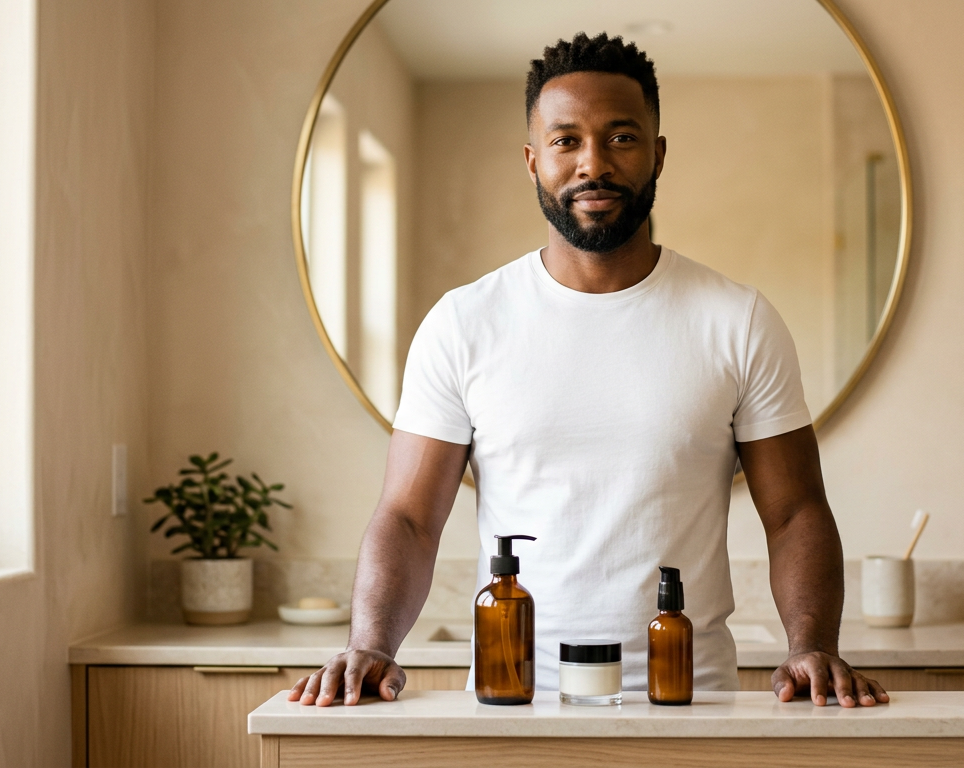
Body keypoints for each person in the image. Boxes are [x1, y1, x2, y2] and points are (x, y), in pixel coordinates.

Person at [289, 32, 888, 709]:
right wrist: (370, 643)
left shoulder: (738, 319)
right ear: (532, 159)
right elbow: (408, 517)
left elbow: (795, 512)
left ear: (657, 154)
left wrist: (811, 644)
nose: (593, 163)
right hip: (512, 704)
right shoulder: (463, 323)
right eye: (566, 140)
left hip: (689, 708)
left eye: (622, 138)